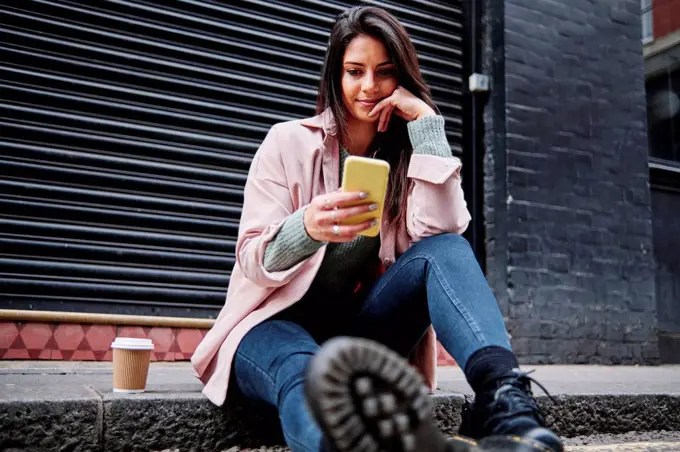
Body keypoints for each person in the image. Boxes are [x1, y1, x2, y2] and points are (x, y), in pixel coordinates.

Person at [191, 5, 563, 452]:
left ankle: (506, 406)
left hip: (359, 336)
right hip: (271, 327)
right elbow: (253, 259)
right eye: (354, 71)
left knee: (444, 249)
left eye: (384, 72)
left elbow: (443, 239)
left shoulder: (407, 158)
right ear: (336, 75)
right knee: (304, 370)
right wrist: (306, 227)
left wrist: (427, 128)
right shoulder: (287, 142)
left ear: (400, 78)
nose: (368, 87)